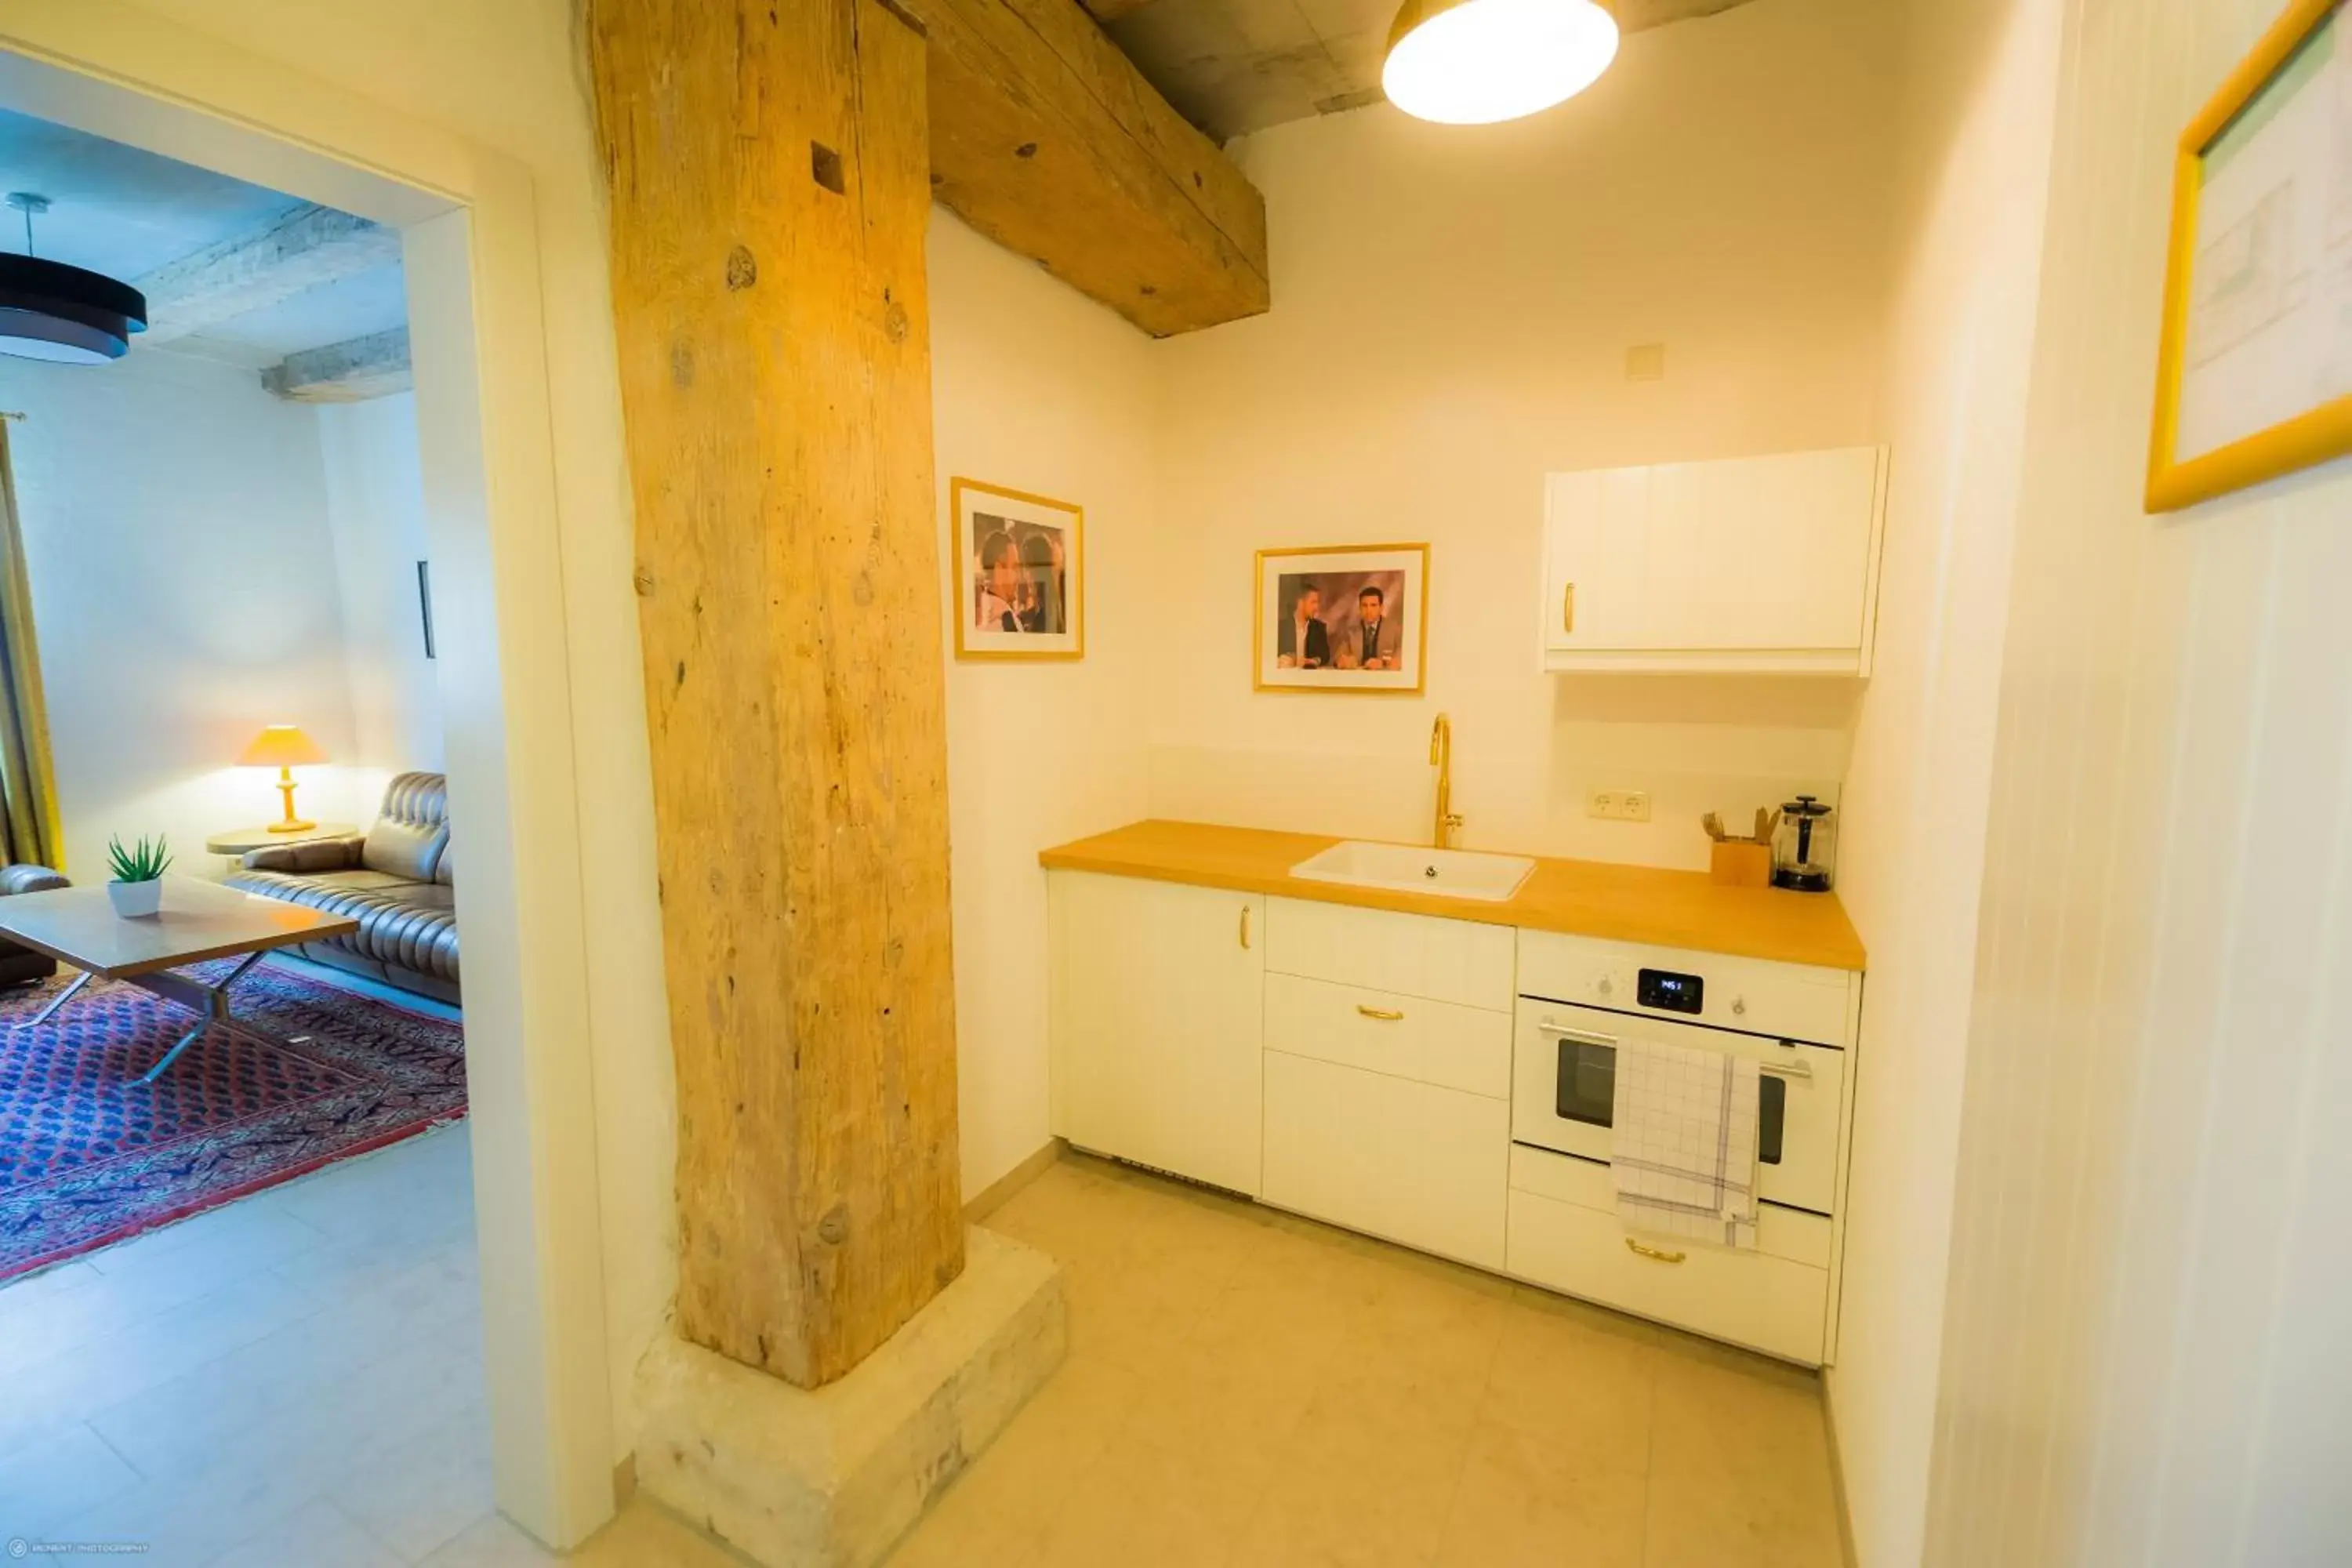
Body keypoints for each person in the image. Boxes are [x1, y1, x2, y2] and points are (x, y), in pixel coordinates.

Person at [1337, 583, 1400, 670]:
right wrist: (1343, 661)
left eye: (1373, 605)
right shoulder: (1350, 631)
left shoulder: (1394, 629)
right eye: (1364, 605)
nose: (1368, 610)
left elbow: (1402, 658)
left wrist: (1383, 663)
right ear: (1359, 608)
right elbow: (1338, 657)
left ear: (1381, 607)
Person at [975, 530, 1022, 632]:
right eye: (1014, 568)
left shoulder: (983, 616)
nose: (1019, 577)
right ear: (999, 569)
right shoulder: (1003, 623)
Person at [1276, 583, 1330, 669]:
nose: (1317, 607)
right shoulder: (1282, 626)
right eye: (1313, 602)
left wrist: (1315, 661)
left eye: (1317, 603)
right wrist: (1279, 660)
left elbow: (1325, 656)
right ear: (1301, 602)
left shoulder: (1319, 628)